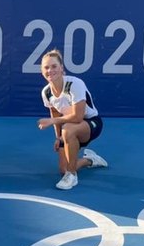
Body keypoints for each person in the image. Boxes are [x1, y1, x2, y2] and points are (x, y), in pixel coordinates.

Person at [37, 50, 108, 191]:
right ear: (42, 71)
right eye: (46, 67)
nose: (50, 70)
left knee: (68, 128)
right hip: (68, 129)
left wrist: (52, 122)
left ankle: (72, 176)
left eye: (54, 66)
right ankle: (90, 160)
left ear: (62, 68)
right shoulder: (46, 92)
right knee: (63, 168)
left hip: (91, 124)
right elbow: (55, 112)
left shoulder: (75, 84)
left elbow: (78, 117)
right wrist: (58, 137)